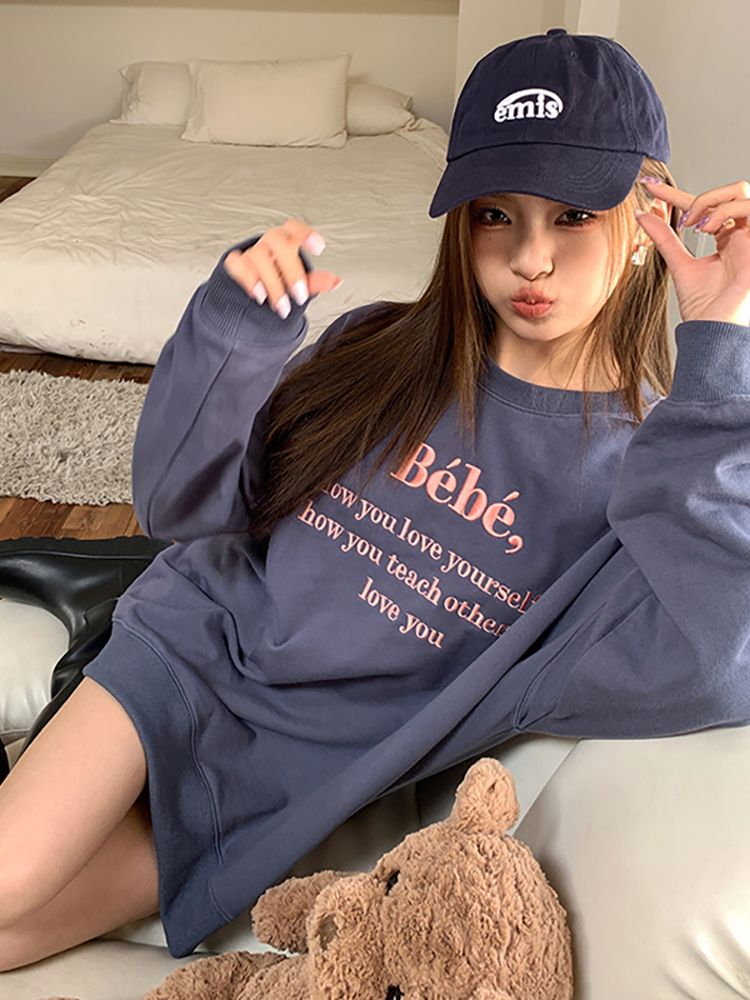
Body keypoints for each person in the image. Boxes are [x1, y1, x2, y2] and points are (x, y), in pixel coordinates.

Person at [1, 26, 749, 973]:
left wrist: (722, 344)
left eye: (572, 215)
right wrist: (232, 335)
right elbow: (180, 508)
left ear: (647, 218)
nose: (531, 258)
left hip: (280, 790)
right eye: (495, 215)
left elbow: (722, 660)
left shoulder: (645, 468)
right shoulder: (375, 347)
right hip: (185, 659)